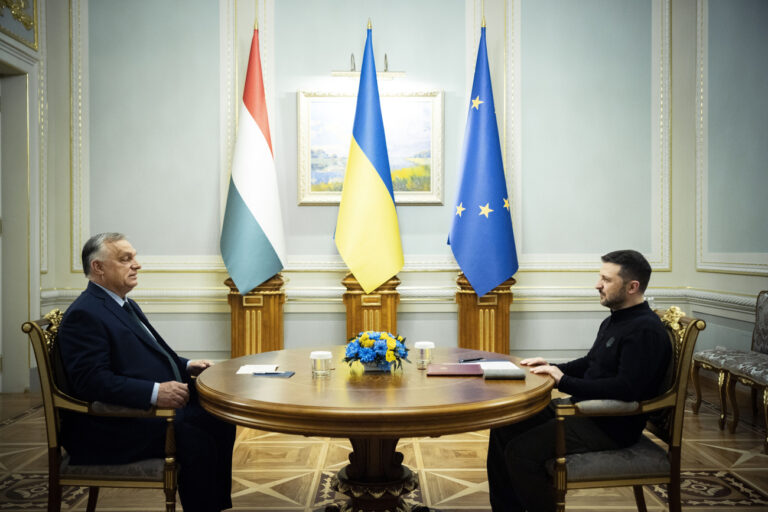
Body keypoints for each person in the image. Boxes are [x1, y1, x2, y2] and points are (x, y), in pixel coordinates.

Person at [57, 232, 236, 512]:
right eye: (125, 259)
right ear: (98, 268)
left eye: (135, 257)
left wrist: (187, 365)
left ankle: (214, 506)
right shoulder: (86, 314)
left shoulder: (123, 303)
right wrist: (155, 393)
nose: (137, 264)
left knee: (219, 416)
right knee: (194, 431)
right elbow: (92, 381)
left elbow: (153, 355)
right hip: (105, 428)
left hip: (137, 414)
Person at [486, 249, 671, 512]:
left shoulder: (645, 330)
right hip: (584, 410)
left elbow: (625, 389)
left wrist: (563, 381)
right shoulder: (617, 318)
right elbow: (591, 363)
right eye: (600, 277)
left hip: (609, 425)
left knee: (520, 452)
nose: (598, 285)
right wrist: (551, 368)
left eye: (606, 280)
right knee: (504, 425)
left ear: (633, 286)